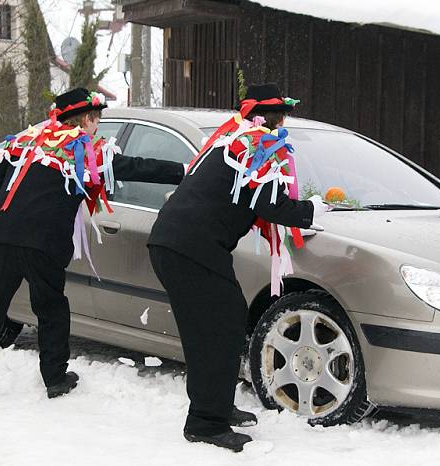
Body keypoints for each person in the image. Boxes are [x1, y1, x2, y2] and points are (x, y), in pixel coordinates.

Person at [0, 88, 185, 401]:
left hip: (1, 235)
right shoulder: (82, 149)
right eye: (97, 120)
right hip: (43, 241)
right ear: (87, 118)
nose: (97, 127)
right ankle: (55, 378)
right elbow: (132, 166)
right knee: (50, 309)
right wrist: (182, 171)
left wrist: (15, 216)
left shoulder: (27, 141)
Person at [148, 83, 331, 452]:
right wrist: (312, 209)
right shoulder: (257, 143)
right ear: (271, 117)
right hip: (193, 248)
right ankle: (205, 422)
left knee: (215, 326)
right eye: (282, 117)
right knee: (219, 328)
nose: (284, 125)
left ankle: (214, 407)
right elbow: (270, 204)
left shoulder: (233, 137)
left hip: (173, 243)